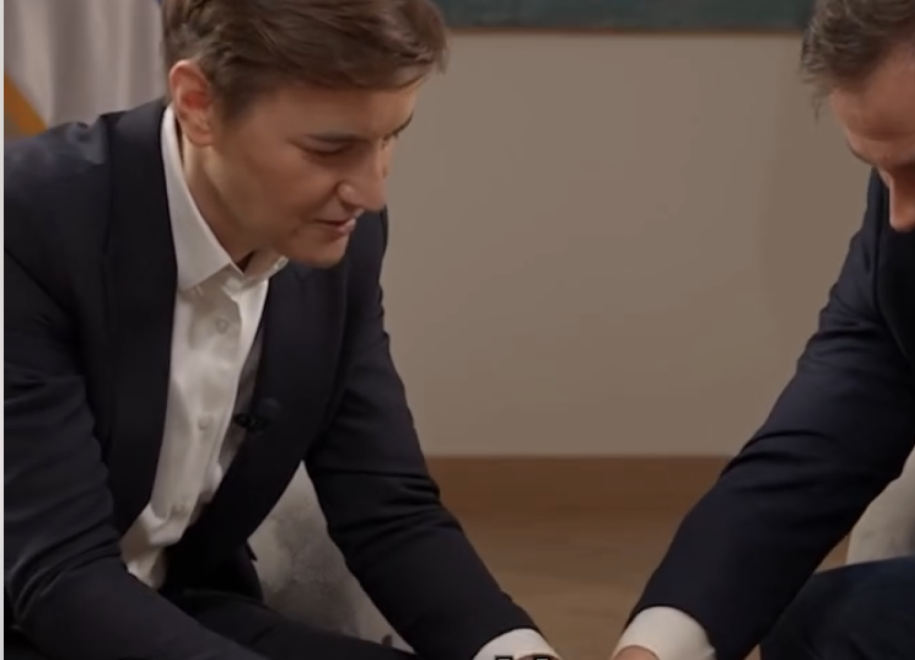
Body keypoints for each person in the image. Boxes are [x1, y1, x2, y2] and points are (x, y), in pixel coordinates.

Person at [4, 2, 562, 660]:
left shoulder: (343, 240)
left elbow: (387, 506)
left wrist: (516, 653)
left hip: (183, 611)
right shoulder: (27, 223)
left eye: (391, 138)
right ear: (199, 103)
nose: (371, 193)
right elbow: (56, 575)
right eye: (331, 149)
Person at [607, 1, 915, 659]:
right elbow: (822, 439)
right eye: (882, 169)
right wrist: (656, 648)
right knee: (819, 628)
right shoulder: (910, 231)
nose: (904, 214)